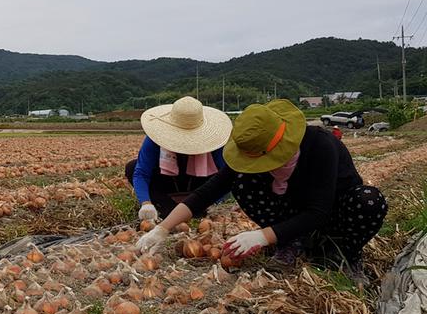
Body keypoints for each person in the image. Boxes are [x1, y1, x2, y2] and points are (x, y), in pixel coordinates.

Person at [137, 99, 387, 277]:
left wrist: (261, 236)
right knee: (243, 182)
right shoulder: (254, 146)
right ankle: (290, 241)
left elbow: (318, 211)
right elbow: (207, 192)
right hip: (291, 215)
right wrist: (162, 229)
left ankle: (341, 253)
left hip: (334, 215)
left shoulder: (321, 146)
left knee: (369, 200)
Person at [127, 96, 232, 220]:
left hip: (200, 188)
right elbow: (141, 173)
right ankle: (168, 210)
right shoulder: (154, 141)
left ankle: (198, 209)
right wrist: (146, 203)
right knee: (132, 167)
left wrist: (216, 203)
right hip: (167, 183)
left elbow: (226, 176)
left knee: (223, 175)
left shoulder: (215, 143)